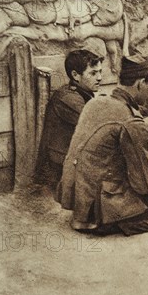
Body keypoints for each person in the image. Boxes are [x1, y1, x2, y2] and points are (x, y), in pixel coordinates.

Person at [56, 54, 148, 236]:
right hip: (102, 202)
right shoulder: (131, 121)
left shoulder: (95, 102)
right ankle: (113, 223)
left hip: (76, 198)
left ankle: (88, 217)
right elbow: (144, 186)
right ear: (140, 83)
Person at [35, 49, 103, 190]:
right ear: (75, 75)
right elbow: (100, 124)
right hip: (58, 168)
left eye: (100, 72)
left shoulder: (82, 93)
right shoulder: (67, 98)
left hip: (70, 159)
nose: (99, 78)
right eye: (93, 73)